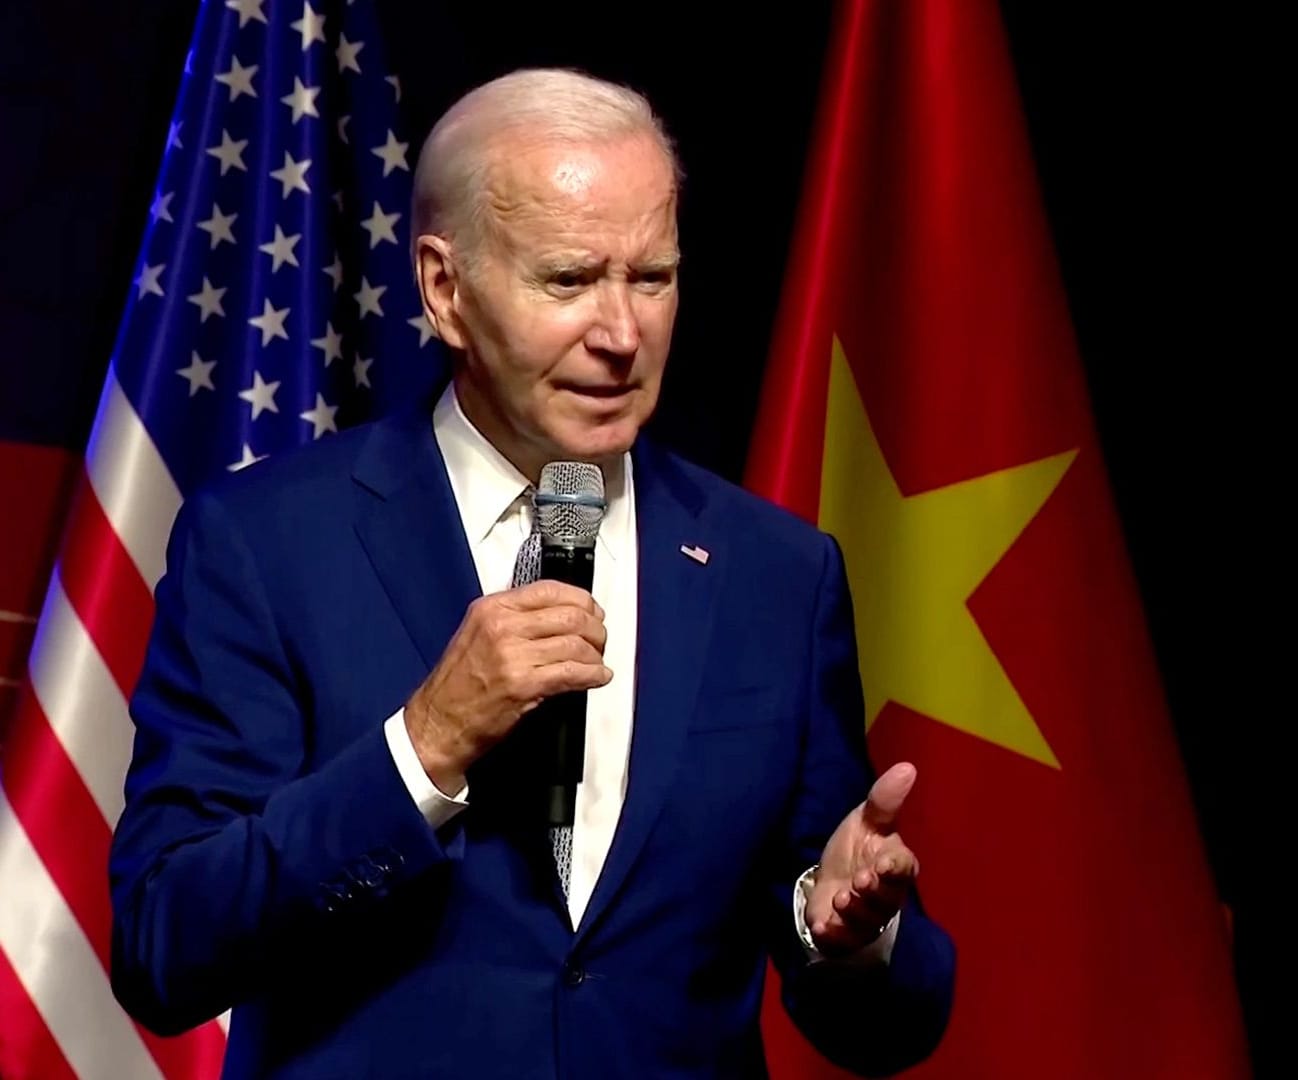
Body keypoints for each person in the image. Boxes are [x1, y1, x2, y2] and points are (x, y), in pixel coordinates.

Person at [107, 68, 955, 1078]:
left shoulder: (777, 573)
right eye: (567, 280)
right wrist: (423, 751)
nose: (621, 335)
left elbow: (881, 1019)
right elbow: (165, 946)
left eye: (652, 278)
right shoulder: (266, 545)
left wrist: (850, 933)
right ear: (444, 289)